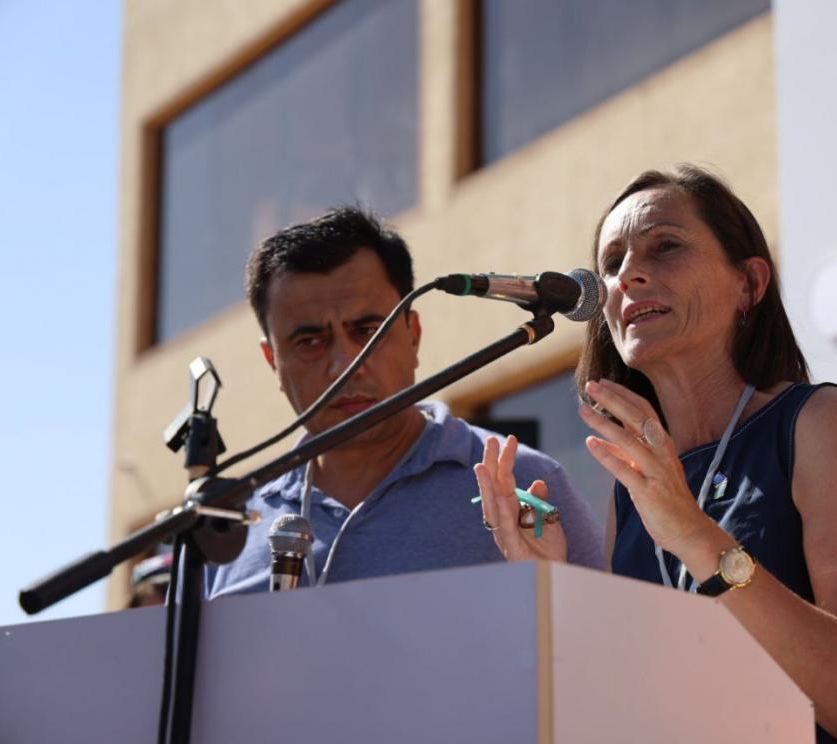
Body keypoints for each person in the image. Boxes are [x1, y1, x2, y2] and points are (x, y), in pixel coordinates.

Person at [475, 165, 837, 743]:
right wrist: (555, 592)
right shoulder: (633, 485)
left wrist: (696, 535)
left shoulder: (821, 424)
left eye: (666, 246)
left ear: (749, 283)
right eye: (611, 264)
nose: (627, 276)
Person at [205, 207, 603, 597]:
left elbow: (609, 649)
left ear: (413, 335)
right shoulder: (223, 532)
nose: (345, 366)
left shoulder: (526, 487)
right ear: (273, 361)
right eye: (310, 342)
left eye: (367, 331)